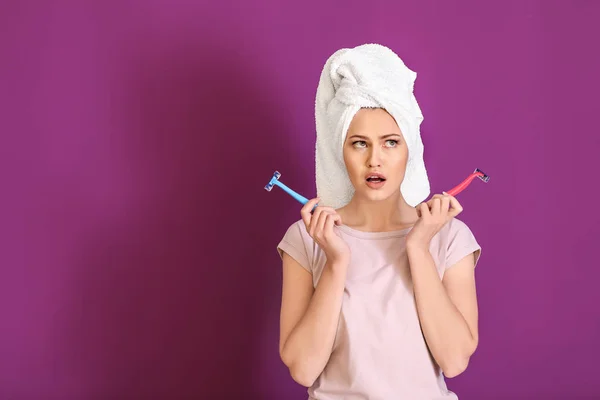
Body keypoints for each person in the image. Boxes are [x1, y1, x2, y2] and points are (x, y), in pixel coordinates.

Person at [276, 44, 482, 400]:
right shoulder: (308, 237)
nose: (375, 160)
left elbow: (454, 361)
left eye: (390, 143)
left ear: (410, 150)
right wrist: (336, 263)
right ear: (339, 151)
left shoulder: (449, 236)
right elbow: (303, 368)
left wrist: (418, 248)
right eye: (359, 144)